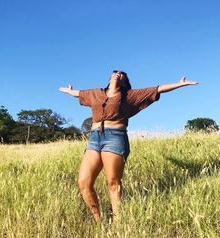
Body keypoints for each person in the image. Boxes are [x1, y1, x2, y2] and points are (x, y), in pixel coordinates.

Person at [59, 70, 199, 222]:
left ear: (124, 82)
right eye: (115, 72)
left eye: (121, 74)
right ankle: (99, 221)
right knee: (84, 183)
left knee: (113, 182)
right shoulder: (95, 93)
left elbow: (157, 89)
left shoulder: (129, 96)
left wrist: (179, 84)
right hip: (94, 138)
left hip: (115, 138)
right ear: (110, 77)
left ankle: (118, 225)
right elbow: (79, 94)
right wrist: (69, 91)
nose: (117, 73)